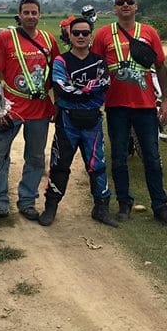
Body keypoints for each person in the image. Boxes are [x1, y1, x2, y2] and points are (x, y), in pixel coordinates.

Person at [92, 0, 167, 226]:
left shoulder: (148, 32)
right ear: (115, 8)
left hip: (145, 105)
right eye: (121, 3)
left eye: (130, 2)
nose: (126, 5)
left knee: (152, 157)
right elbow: (95, 68)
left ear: (136, 6)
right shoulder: (103, 35)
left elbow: (160, 67)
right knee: (119, 157)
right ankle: (124, 203)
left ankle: (159, 206)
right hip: (116, 105)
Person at [0, 0, 59, 224]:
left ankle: (27, 202)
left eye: (35, 12)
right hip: (11, 110)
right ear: (19, 15)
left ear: (40, 15)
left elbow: (56, 74)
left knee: (35, 157)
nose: (31, 16)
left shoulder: (48, 40)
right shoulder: (6, 38)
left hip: (40, 109)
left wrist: (57, 104)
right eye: (27, 12)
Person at [40, 16, 115, 227]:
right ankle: (51, 207)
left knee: (97, 166)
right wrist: (89, 89)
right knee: (60, 164)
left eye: (85, 33)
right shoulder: (60, 61)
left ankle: (101, 207)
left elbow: (105, 85)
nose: (81, 37)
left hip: (92, 122)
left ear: (91, 35)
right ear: (69, 36)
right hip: (67, 121)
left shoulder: (99, 61)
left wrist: (79, 90)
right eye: (76, 33)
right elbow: (61, 88)